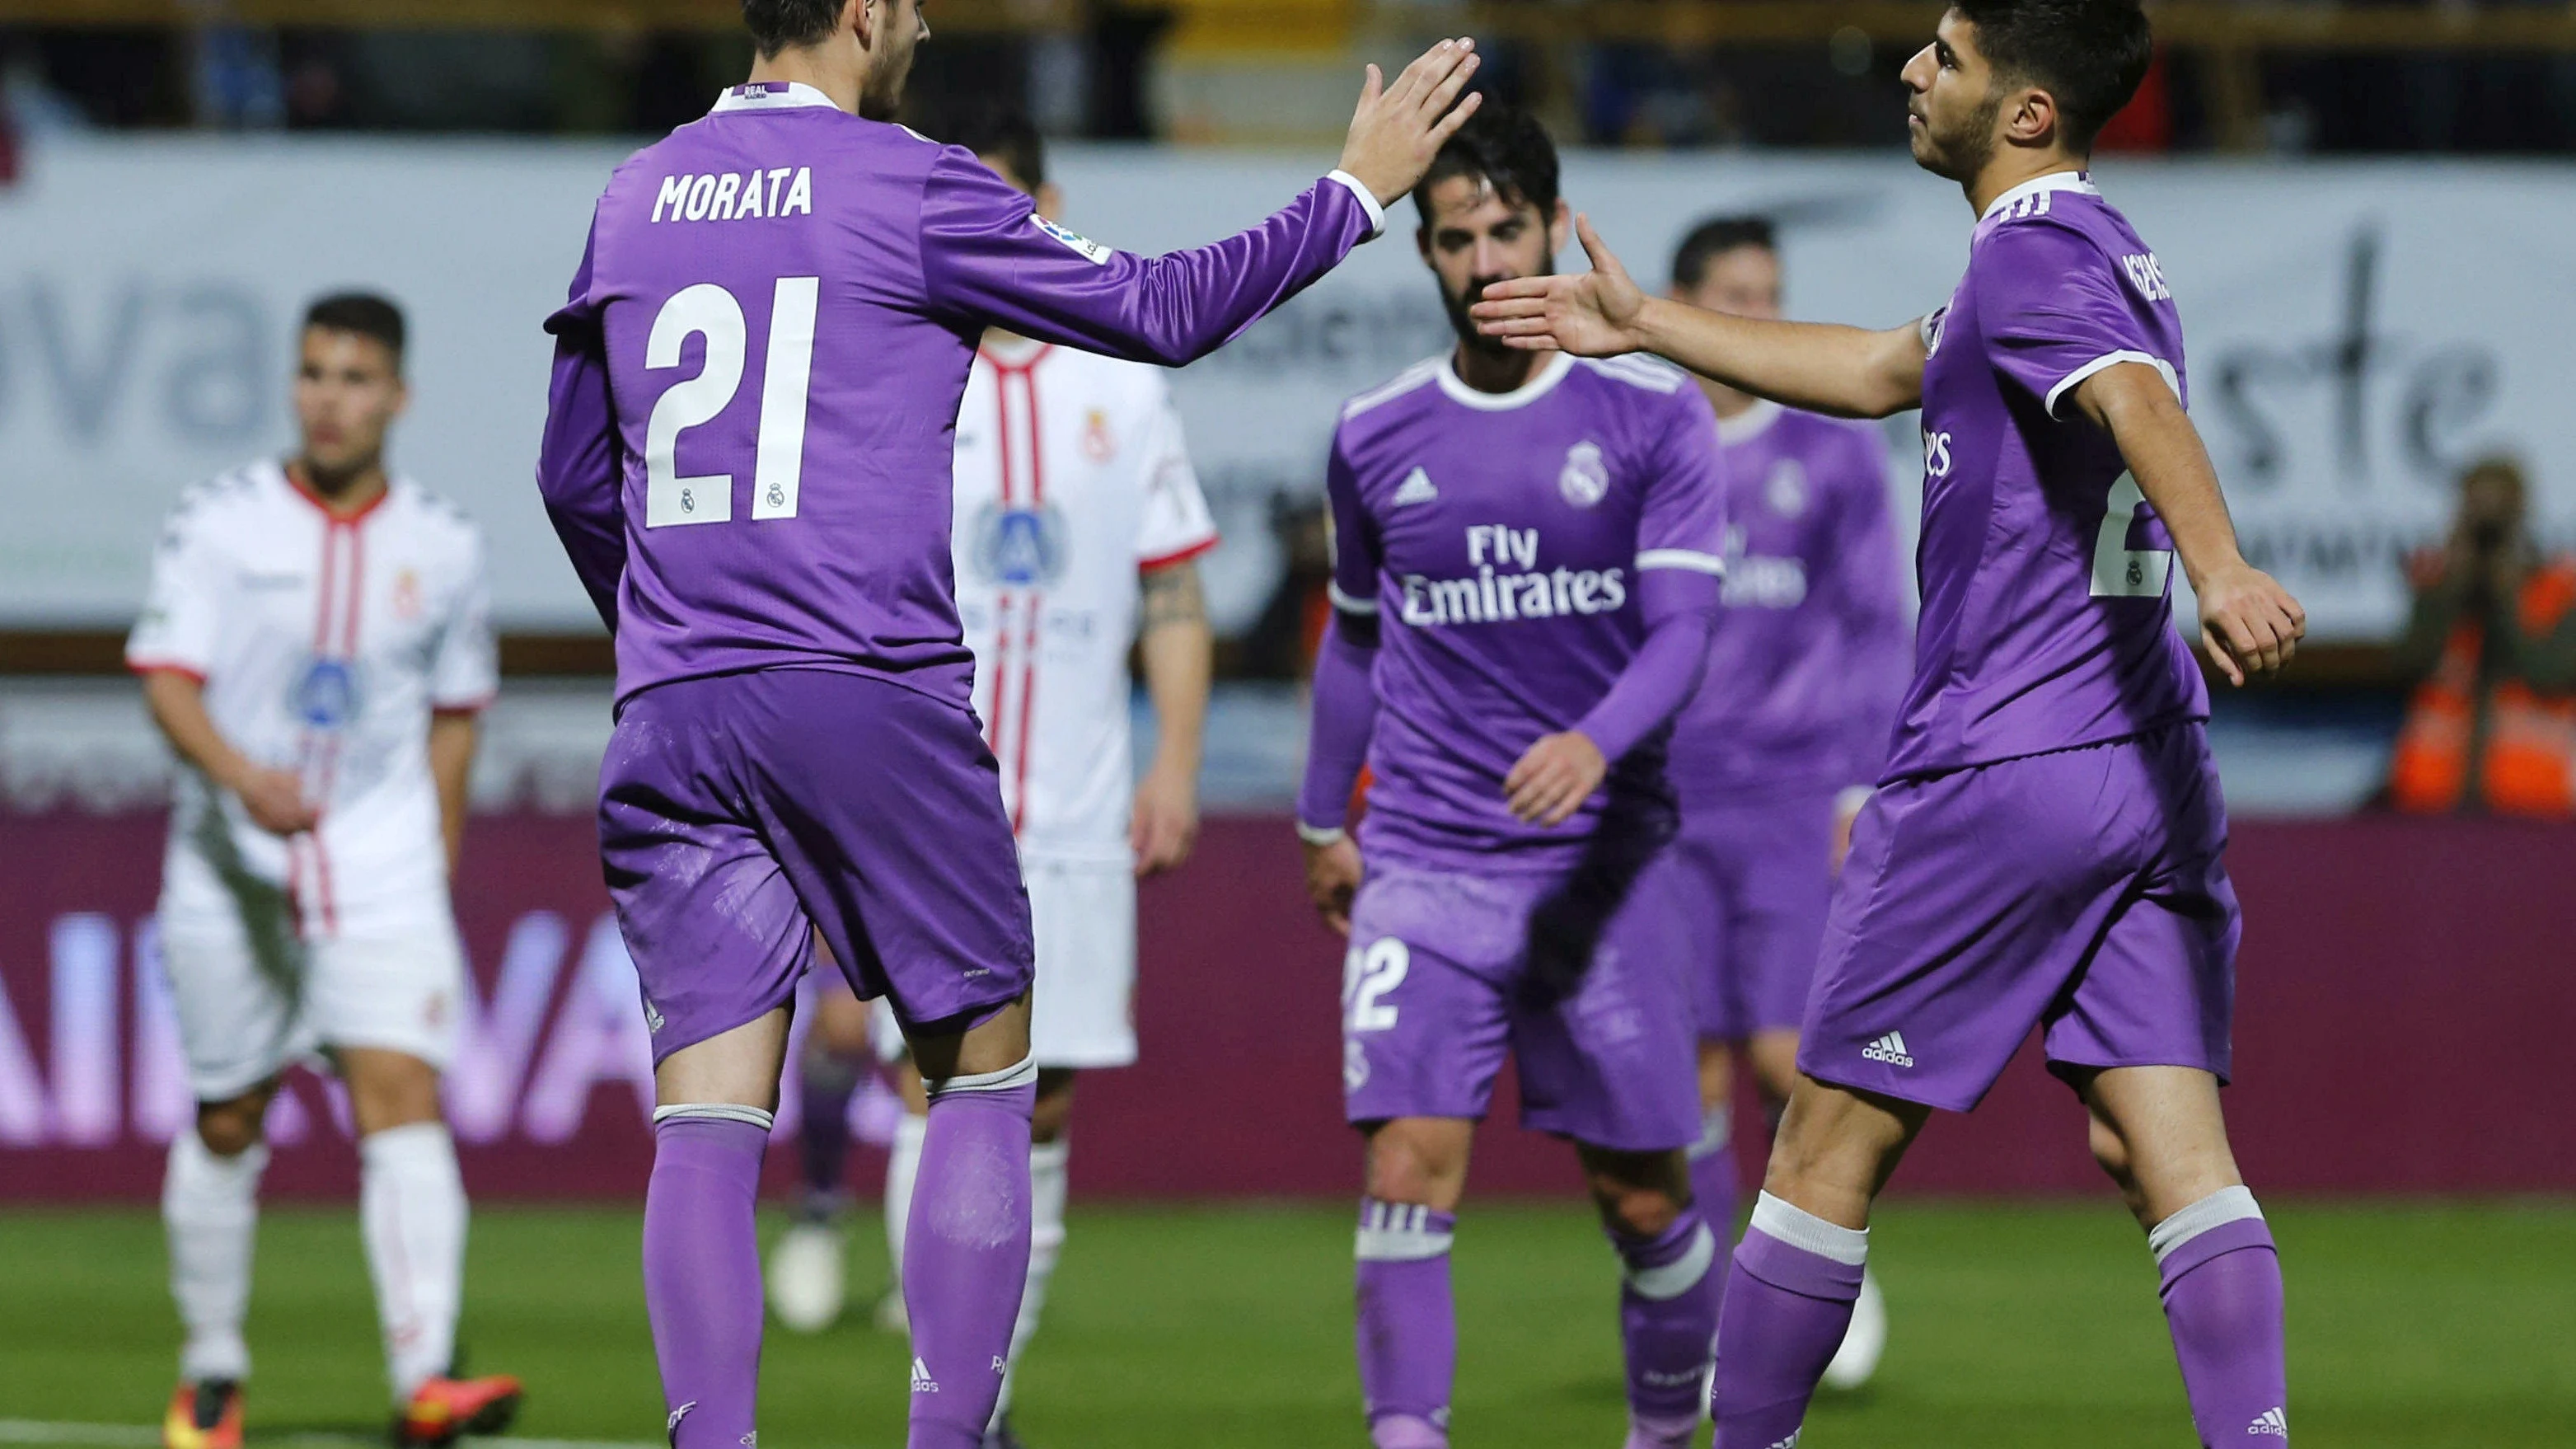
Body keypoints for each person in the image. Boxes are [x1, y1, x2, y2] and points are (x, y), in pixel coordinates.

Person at [531, 1, 1482, 1444]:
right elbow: (1163, 309)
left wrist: (671, 632)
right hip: (864, 681)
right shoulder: (907, 178)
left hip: (675, 704)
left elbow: (573, 478)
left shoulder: (635, 193)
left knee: (711, 1108)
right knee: (983, 1065)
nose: (918, 22)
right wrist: (1353, 190)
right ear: (856, 11)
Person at [1472, 2, 2308, 1443]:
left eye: (1947, 55)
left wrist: (2221, 564)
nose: (1912, 72)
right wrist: (1646, 324)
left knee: (1817, 1141)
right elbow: (1873, 370)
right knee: (2166, 1147)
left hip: (2006, 758)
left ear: (2028, 111)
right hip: (2147, 761)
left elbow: (2132, 397)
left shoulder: (2040, 257)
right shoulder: (2086, 250)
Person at [764, 108, 1221, 1446]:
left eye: (1011, 203)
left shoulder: (1123, 384)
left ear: (1049, 204)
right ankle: (947, 1389)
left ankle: (984, 1395)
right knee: (936, 1079)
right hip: (924, 795)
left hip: (1078, 802)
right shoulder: (891, 372)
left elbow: (1175, 593)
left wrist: (1176, 764)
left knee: (1050, 1092)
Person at [1296, 106, 1731, 1449]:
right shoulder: (1374, 432)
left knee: (1644, 1195)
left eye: (1504, 231)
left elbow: (1681, 635)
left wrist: (1595, 742)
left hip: (1603, 865)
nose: (1483, 263)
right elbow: (1355, 646)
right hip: (1427, 859)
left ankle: (1666, 1429)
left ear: (1554, 226)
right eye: (1452, 240)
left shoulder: (1654, 416)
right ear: (1423, 257)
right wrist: (1325, 815)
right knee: (1406, 1163)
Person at [128, 293, 521, 1449]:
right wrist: (240, 777)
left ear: (396, 395)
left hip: (381, 860)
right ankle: (212, 1369)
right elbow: (165, 676)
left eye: (352, 378)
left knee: (402, 1092)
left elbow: (455, 715)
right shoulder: (219, 523)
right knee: (230, 1114)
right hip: (230, 863)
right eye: (311, 374)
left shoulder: (444, 545)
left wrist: (435, 857)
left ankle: (424, 1378)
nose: (328, 399)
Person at [1658, 214, 1912, 1390]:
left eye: (1769, 293)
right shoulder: (1639, 444)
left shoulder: (1831, 452)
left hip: (1793, 792)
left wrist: (1868, 777)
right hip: (1661, 802)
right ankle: (1721, 1313)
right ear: (1683, 301)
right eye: (1734, 293)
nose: (1755, 315)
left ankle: (1821, 1262)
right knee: (1687, 1072)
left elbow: (1873, 628)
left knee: (1781, 1055)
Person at [2386, 455, 2576, 816]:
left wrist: (2506, 597)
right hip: (2432, 799)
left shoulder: (2557, 590)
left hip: (2532, 801)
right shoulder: (2442, 588)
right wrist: (2447, 589)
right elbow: (2407, 666)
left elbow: (2550, 674)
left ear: (2522, 511)